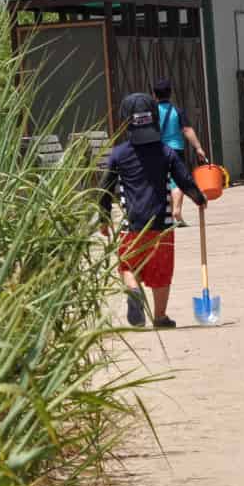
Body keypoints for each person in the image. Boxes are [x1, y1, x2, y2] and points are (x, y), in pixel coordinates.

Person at [99, 92, 207, 328]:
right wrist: (199, 198)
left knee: (128, 266)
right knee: (161, 272)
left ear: (126, 121)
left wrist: (104, 219)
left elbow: (105, 188)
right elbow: (185, 179)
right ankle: (160, 316)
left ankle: (135, 291)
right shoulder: (166, 152)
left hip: (132, 225)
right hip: (162, 225)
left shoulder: (118, 154)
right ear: (154, 119)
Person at [153, 77, 208, 227]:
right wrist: (198, 148)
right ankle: (176, 210)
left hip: (157, 150)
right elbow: (187, 130)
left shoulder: (152, 112)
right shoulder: (177, 111)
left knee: (159, 181)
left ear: (154, 95)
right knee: (176, 181)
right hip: (175, 150)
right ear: (170, 94)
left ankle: (163, 216)